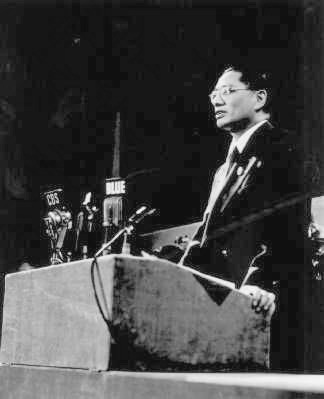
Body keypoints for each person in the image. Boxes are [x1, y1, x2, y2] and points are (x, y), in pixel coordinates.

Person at [181, 64, 312, 371]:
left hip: (261, 307)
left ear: (259, 98)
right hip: (220, 315)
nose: (216, 100)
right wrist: (169, 270)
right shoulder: (221, 171)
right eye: (214, 93)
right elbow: (205, 242)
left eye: (227, 91)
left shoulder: (285, 149)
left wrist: (261, 283)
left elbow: (289, 226)